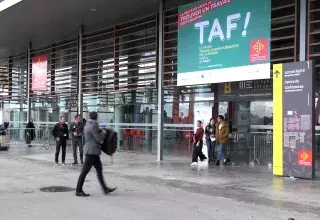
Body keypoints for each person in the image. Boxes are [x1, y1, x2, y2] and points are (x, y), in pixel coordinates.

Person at [76, 111, 116, 197]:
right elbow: (99, 139)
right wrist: (104, 133)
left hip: (93, 151)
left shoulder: (87, 125)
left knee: (99, 170)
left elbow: (93, 134)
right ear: (96, 117)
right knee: (84, 171)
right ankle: (78, 190)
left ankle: (105, 189)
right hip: (92, 152)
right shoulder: (93, 126)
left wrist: (99, 130)